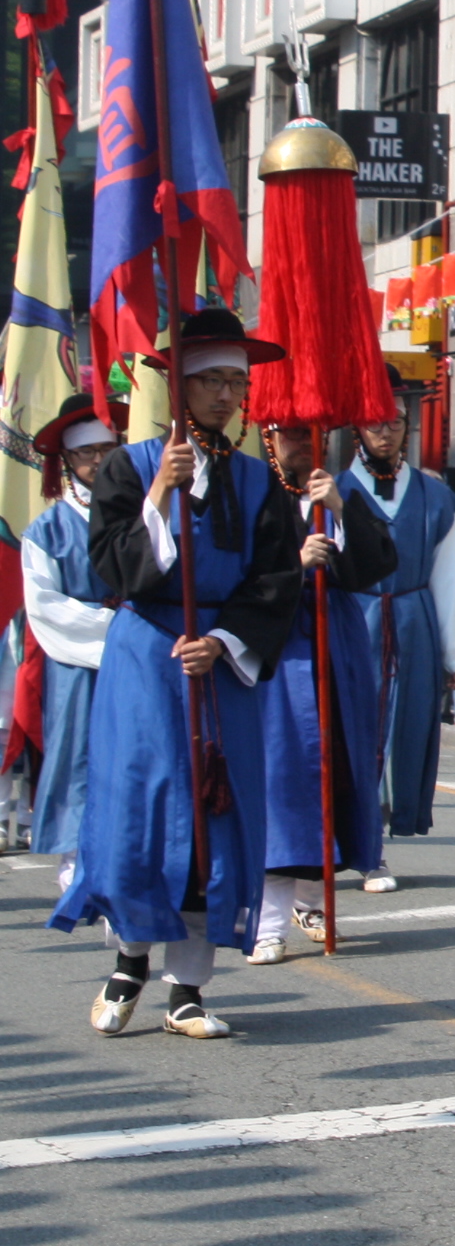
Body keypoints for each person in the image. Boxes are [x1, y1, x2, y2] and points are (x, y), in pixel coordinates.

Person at [53, 309, 302, 1038]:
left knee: (214, 816)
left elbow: (275, 583)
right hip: (147, 660)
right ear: (177, 387)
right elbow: (116, 569)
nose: (226, 395)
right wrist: (161, 491)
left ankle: (189, 988)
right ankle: (130, 956)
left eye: (236, 381)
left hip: (220, 667)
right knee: (143, 810)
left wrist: (224, 641)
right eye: (210, 381)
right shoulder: (129, 469)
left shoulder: (259, 482)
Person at [248, 421, 396, 964]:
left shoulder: (343, 488)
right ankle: (265, 921)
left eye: (308, 434)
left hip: (337, 646)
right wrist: (294, 566)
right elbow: (234, 573)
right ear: (269, 437)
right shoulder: (251, 489)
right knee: (282, 780)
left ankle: (312, 900)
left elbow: (378, 563)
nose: (300, 445)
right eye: (288, 434)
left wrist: (339, 506)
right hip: (279, 645)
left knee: (336, 772)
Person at [342, 384, 455, 887]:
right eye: (375, 422)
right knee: (355, 733)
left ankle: (376, 841)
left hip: (413, 621)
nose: (386, 432)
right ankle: (356, 844)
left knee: (403, 731)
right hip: (354, 622)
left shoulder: (432, 497)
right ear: (358, 428)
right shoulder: (335, 490)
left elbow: (449, 575)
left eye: (395, 422)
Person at [21, 396, 122, 894]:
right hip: (77, 660)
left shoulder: (139, 514)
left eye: (108, 448)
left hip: (139, 655)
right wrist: (113, 630)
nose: (99, 460)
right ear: (69, 462)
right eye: (88, 453)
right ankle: (75, 858)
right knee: (77, 755)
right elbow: (45, 606)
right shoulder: (47, 529)